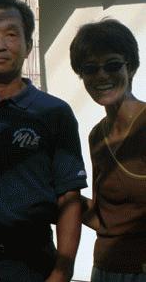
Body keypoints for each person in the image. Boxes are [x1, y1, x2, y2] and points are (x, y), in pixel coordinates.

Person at [0, 0, 88, 281]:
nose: (0, 45)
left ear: (27, 46)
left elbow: (69, 197)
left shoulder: (55, 113)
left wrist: (62, 272)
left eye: (11, 34)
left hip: (33, 263)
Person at [69, 19, 146, 282]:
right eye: (90, 69)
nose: (102, 76)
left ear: (132, 67)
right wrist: (55, 194)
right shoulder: (97, 136)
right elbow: (103, 217)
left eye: (112, 65)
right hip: (105, 269)